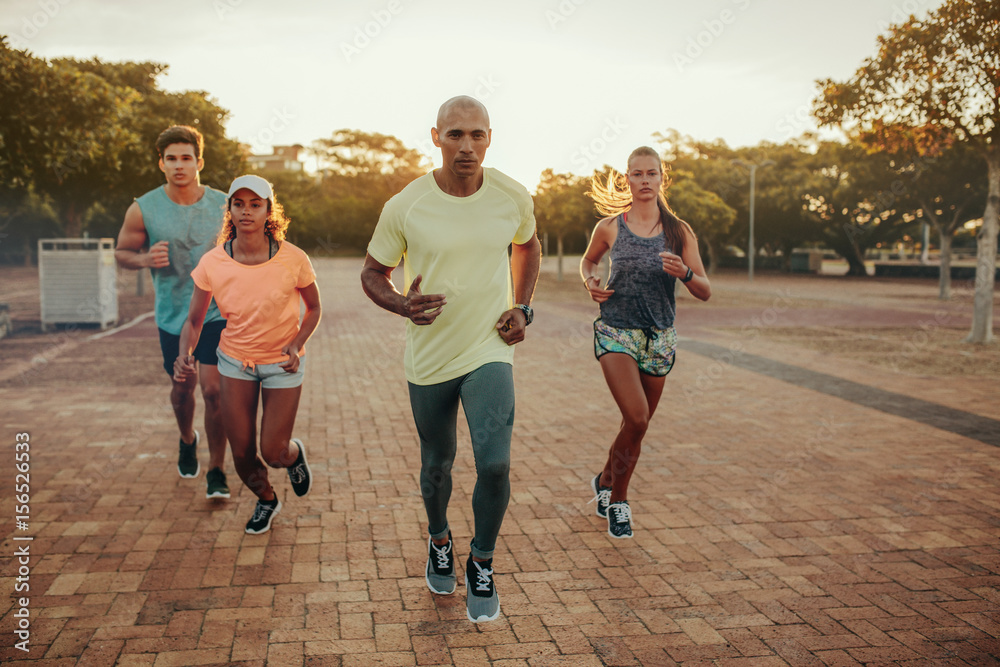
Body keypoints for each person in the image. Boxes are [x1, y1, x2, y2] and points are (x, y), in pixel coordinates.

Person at [360, 95, 541, 623]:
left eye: (477, 135)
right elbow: (372, 273)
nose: (467, 145)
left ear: (490, 138)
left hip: (490, 348)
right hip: (431, 354)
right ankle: (439, 537)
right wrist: (401, 304)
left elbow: (527, 246)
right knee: (437, 465)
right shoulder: (406, 205)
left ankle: (481, 560)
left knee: (495, 461)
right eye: (455, 134)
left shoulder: (512, 195)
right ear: (435, 137)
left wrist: (522, 308)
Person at [174, 175, 321, 535]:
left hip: (282, 365)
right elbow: (194, 320)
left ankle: (291, 455)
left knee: (272, 451)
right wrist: (184, 354)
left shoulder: (293, 258)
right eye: (238, 204)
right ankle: (267, 499)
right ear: (230, 210)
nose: (246, 211)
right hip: (235, 361)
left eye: (255, 204)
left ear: (270, 211)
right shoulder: (212, 263)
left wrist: (296, 342)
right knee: (241, 454)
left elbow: (314, 309)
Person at [580, 146, 711, 539]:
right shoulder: (609, 227)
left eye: (651, 173)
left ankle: (605, 480)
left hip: (660, 337)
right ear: (627, 180)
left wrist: (685, 272)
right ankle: (618, 501)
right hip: (617, 330)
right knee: (636, 417)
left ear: (661, 178)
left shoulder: (678, 231)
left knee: (636, 427)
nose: (644, 181)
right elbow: (588, 262)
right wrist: (590, 281)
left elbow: (704, 290)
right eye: (636, 174)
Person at [115, 125, 231, 499]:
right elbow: (121, 253)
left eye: (186, 158)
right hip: (172, 316)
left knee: (214, 391)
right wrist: (145, 258)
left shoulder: (225, 204)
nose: (179, 165)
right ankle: (186, 438)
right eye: (171, 159)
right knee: (183, 389)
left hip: (216, 313)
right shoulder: (144, 207)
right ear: (161, 163)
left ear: (199, 161)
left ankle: (217, 469)